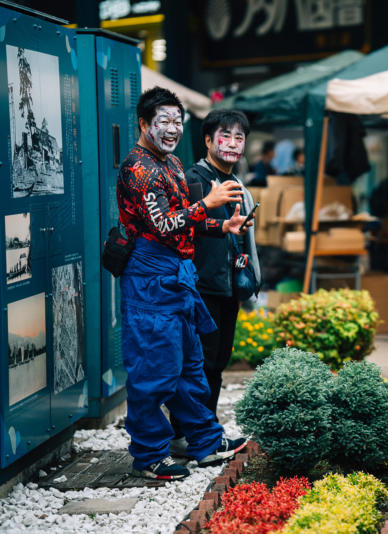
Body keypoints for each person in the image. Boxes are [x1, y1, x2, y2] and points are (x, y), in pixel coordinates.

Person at [116, 87, 251, 480]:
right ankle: (149, 456)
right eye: (164, 121)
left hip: (179, 274)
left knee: (191, 365)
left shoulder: (172, 163)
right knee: (154, 370)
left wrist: (221, 226)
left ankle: (205, 441)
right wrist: (207, 204)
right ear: (144, 124)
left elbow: (185, 220)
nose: (173, 128)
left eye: (178, 121)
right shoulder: (139, 169)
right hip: (149, 278)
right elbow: (163, 224)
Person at [169, 109, 261, 455]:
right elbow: (184, 227)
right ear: (208, 140)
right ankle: (189, 436)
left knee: (217, 362)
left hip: (226, 286)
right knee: (200, 363)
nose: (233, 143)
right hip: (201, 287)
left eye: (240, 137)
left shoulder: (235, 183)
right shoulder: (195, 180)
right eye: (226, 136)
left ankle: (203, 433)